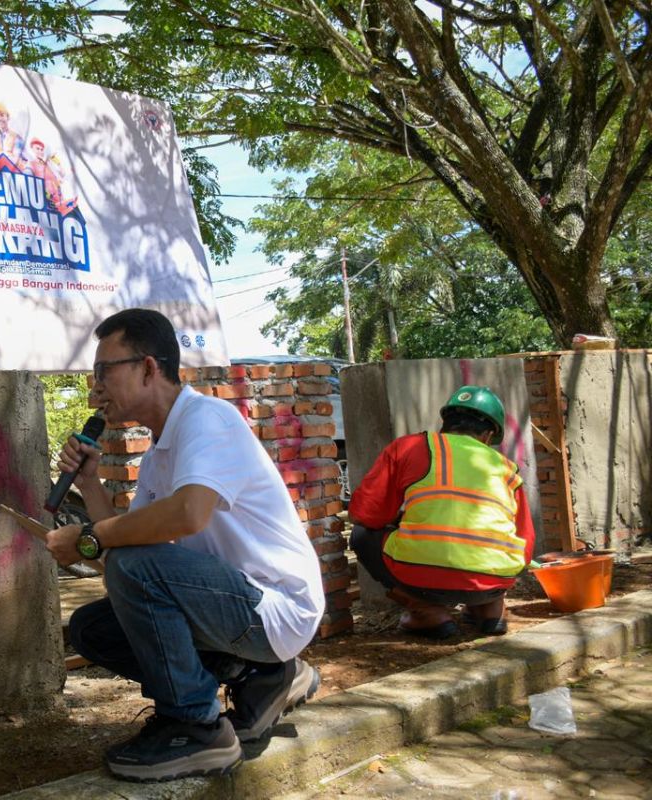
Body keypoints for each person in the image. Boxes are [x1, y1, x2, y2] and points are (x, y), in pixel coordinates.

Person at [46, 309, 324, 782]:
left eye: (103, 372)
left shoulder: (207, 420)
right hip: (234, 605)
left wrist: (89, 539)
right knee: (95, 628)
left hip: (277, 605)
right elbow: (123, 552)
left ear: (149, 367)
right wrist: (91, 486)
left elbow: (188, 514)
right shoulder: (159, 451)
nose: (94, 388)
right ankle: (257, 675)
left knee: (134, 566)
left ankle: (196, 727)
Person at [349, 385, 535, 639]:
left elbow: (364, 514)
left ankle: (426, 610)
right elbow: (525, 545)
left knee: (361, 536)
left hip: (420, 577)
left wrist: (400, 520)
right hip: (493, 580)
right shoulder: (507, 468)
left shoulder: (409, 447)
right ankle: (491, 609)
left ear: (445, 423)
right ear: (488, 435)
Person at [0, 101, 25, 170]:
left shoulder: (17, 137)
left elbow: (16, 160)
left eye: (2, 115)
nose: (0, 118)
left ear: (8, 117)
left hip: (14, 173)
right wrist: (8, 154)